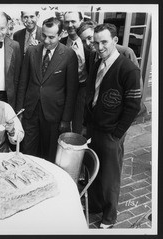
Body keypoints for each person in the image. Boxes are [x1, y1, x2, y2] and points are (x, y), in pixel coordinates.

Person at [83, 23, 141, 228]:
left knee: (109, 176)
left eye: (104, 42)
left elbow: (133, 106)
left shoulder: (129, 70)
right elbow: (92, 93)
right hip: (94, 128)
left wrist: (117, 134)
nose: (99, 47)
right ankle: (96, 206)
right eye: (96, 43)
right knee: (94, 169)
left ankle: (109, 217)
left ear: (115, 41)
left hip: (111, 134)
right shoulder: (96, 61)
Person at [16, 17, 78, 163]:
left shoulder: (69, 55)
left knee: (49, 154)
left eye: (51, 37)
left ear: (61, 34)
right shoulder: (31, 51)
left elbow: (72, 91)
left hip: (54, 114)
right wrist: (19, 111)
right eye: (44, 35)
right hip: (31, 111)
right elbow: (23, 83)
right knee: (28, 151)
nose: (47, 40)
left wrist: (66, 118)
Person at [60, 11, 91, 134]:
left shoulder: (89, 43)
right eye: (67, 22)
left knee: (78, 126)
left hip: (82, 88)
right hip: (64, 89)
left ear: (81, 20)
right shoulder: (60, 42)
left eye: (73, 21)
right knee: (62, 125)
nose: (70, 25)